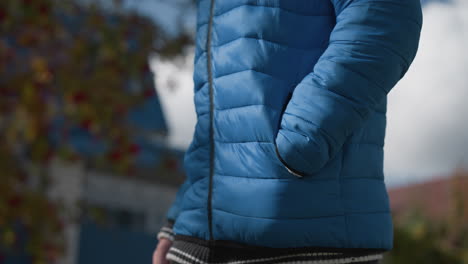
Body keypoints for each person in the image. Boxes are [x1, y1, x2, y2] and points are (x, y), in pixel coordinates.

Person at [153, 0, 422, 263]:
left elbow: (386, 15)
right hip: (196, 242)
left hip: (301, 237)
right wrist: (180, 217)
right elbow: (216, 117)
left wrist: (300, 144)